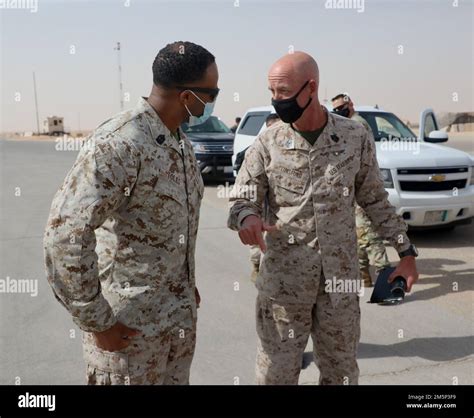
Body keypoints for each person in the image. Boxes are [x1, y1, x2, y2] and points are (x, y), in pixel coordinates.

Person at [228, 51, 419, 385]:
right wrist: (246, 218)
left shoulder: (354, 137)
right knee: (275, 375)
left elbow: (375, 200)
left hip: (339, 286)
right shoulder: (268, 143)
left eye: (283, 92)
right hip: (284, 287)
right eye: (271, 92)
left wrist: (406, 253)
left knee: (341, 374)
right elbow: (243, 197)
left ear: (310, 88)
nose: (276, 100)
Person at [43, 41, 219, 385]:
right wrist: (97, 321)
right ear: (187, 97)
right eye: (211, 93)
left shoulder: (179, 143)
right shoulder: (120, 143)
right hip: (129, 337)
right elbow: (65, 235)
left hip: (174, 331)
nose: (212, 102)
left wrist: (183, 280)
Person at [331, 93, 391, 286]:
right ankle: (363, 273)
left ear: (350, 104)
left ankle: (385, 276)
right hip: (355, 184)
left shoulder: (357, 124)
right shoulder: (351, 123)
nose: (339, 111)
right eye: (336, 108)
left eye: (341, 107)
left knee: (369, 231)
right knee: (360, 230)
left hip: (363, 185)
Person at [249, 113, 281, 282]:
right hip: (261, 201)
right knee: (258, 236)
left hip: (276, 204)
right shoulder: (258, 146)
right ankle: (256, 265)